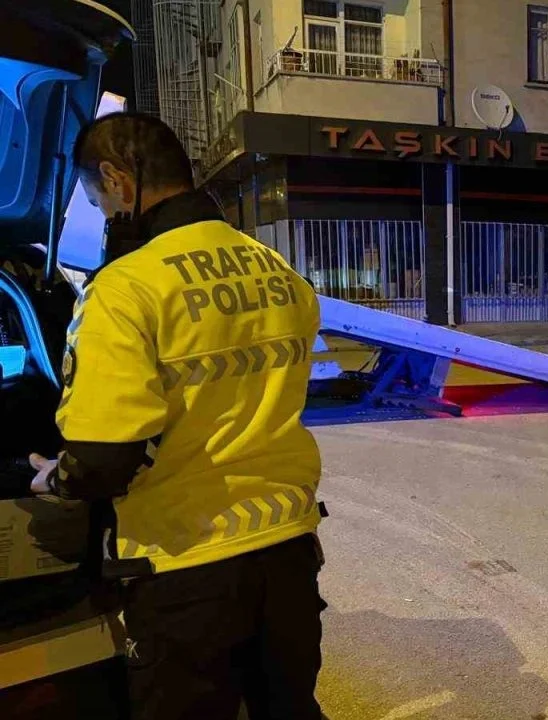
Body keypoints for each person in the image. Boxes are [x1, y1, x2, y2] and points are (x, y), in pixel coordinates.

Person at [27, 112, 326, 720]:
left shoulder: (124, 289)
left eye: (98, 200)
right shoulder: (280, 272)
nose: (105, 214)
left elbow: (106, 458)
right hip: (289, 550)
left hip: (186, 565)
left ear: (118, 179)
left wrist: (55, 478)